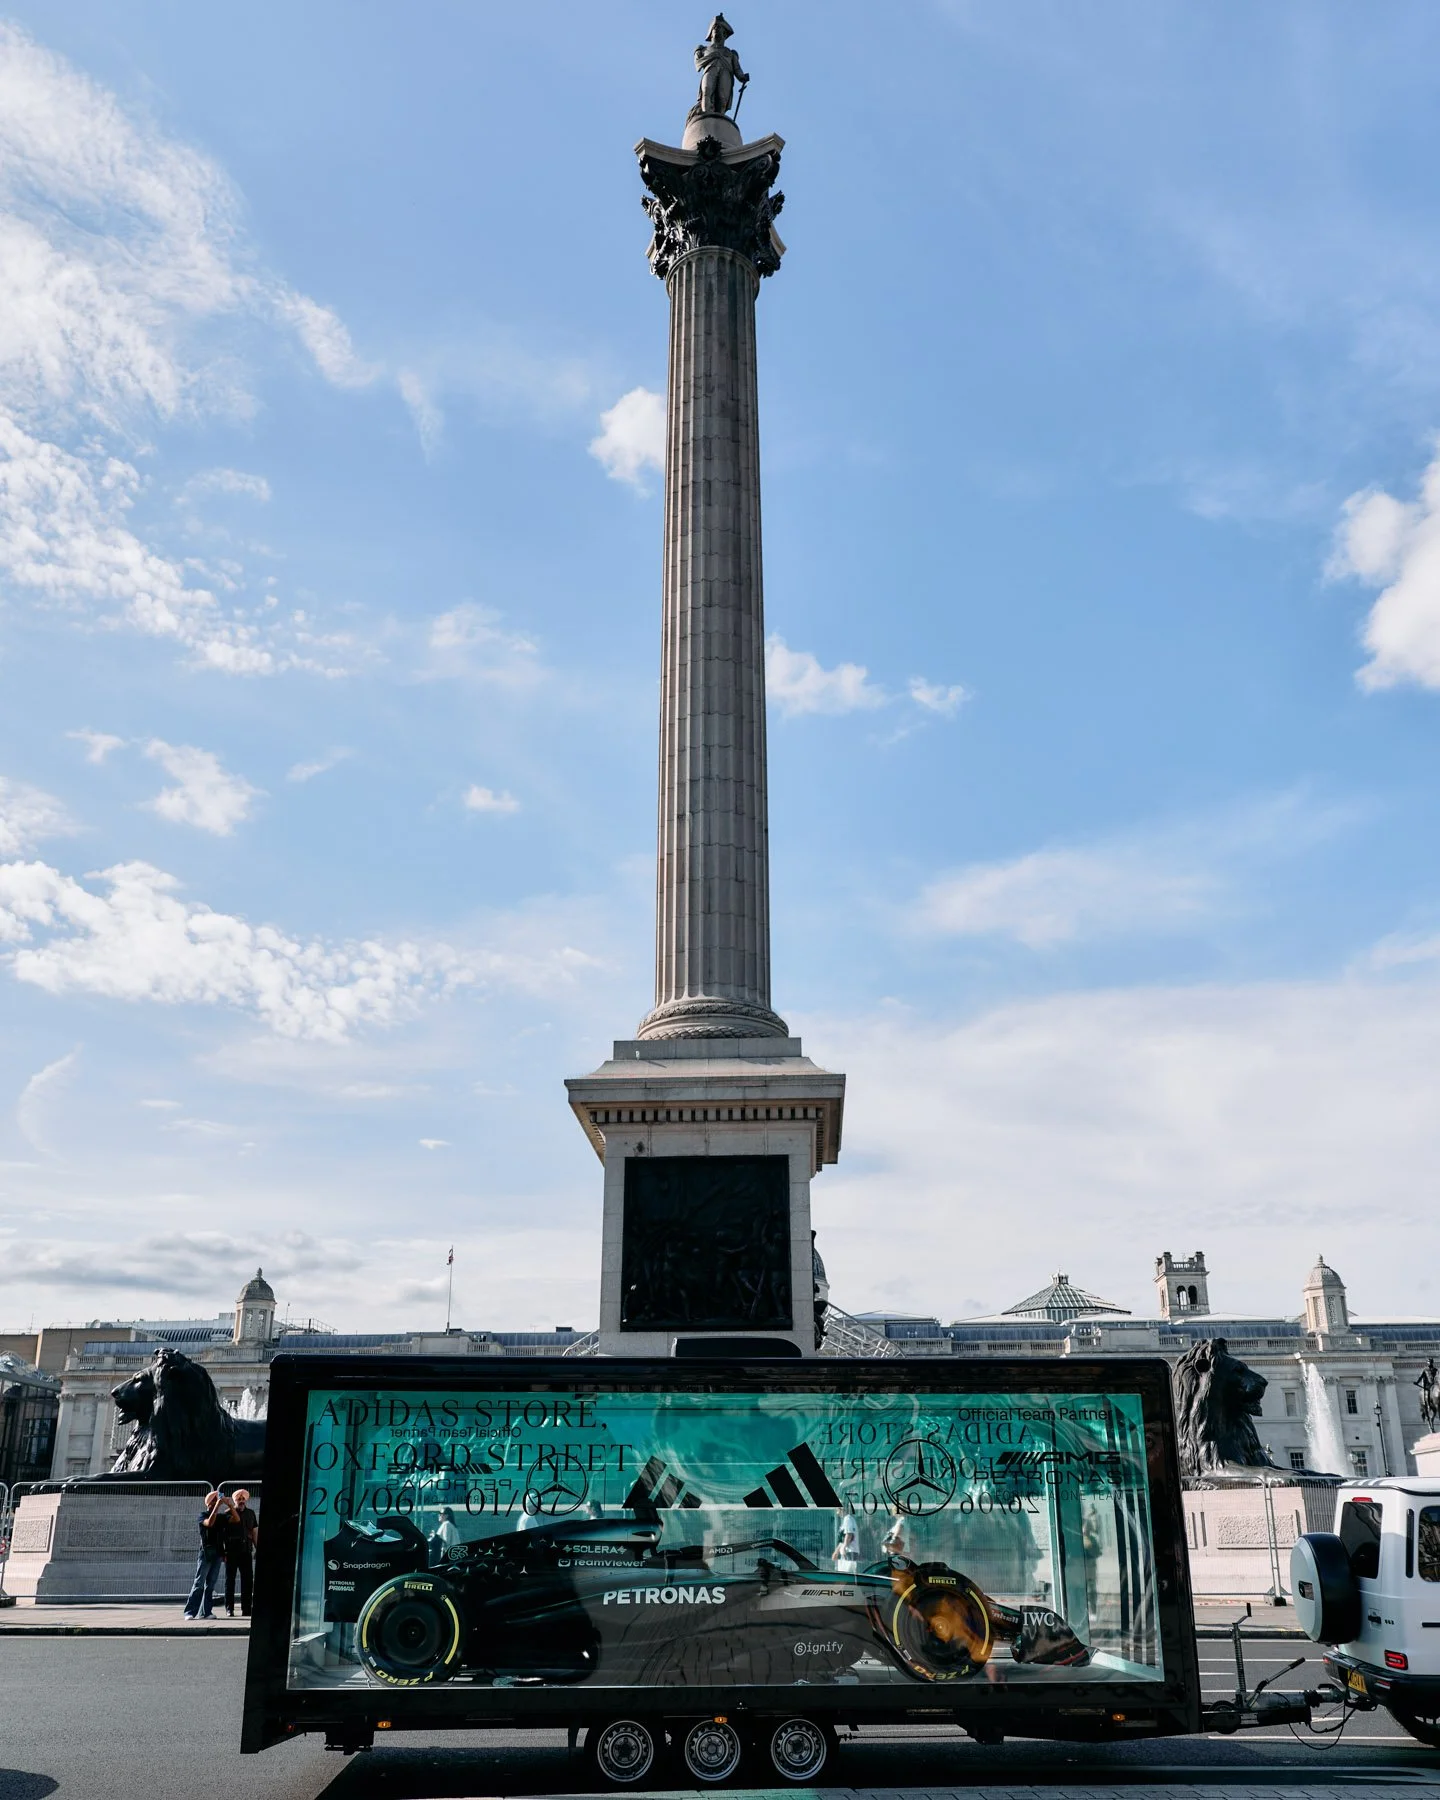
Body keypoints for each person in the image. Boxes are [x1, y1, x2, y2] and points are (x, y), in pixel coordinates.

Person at [183, 1491, 229, 1620]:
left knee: (211, 1584)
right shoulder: (202, 1515)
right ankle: (190, 1612)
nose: (217, 1502)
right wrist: (217, 1506)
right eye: (214, 1500)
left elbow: (236, 1519)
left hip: (218, 1552)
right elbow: (210, 1523)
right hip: (206, 1552)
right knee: (199, 1582)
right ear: (209, 1503)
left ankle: (206, 1611)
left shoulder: (221, 1517)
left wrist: (229, 1505)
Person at [221, 1488, 259, 1617]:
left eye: (243, 1499)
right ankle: (229, 1608)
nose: (241, 1501)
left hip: (246, 1551)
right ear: (234, 1500)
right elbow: (223, 1534)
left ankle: (246, 1608)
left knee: (248, 1581)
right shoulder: (228, 1513)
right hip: (231, 1551)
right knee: (230, 1581)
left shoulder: (251, 1513)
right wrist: (223, 1552)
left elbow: (254, 1531)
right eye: (239, 1499)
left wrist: (257, 1547)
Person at [831, 1508, 859, 1575]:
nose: (837, 1513)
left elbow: (849, 1534)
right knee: (844, 1572)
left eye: (837, 1510)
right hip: (847, 1551)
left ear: (842, 1509)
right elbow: (843, 1539)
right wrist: (837, 1551)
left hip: (849, 1551)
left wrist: (844, 1547)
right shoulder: (846, 1520)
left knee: (848, 1573)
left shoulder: (848, 1519)